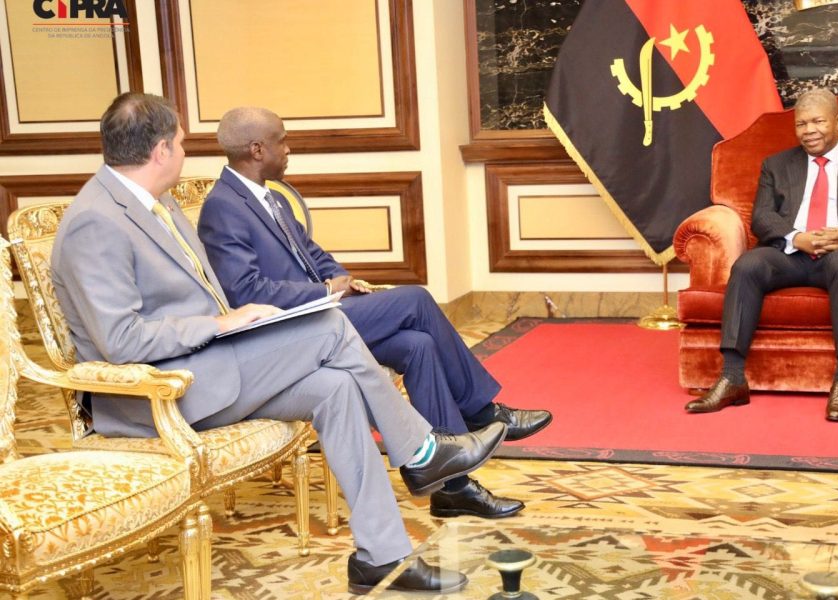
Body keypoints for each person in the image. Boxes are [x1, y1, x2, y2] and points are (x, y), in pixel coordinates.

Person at [51, 92, 507, 595]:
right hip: (160, 394)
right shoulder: (96, 221)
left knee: (336, 388)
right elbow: (120, 339)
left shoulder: (158, 203)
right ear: (160, 151)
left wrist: (239, 323)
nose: (185, 152)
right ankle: (422, 452)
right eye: (180, 143)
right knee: (332, 327)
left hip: (209, 364)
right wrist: (221, 324)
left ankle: (382, 557)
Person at [197, 107, 553, 519]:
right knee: (416, 300)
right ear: (257, 149)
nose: (289, 149)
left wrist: (343, 279)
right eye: (282, 141)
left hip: (326, 313)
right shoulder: (223, 207)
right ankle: (482, 412)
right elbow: (245, 290)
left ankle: (453, 489)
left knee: (418, 345)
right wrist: (324, 291)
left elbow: (312, 254)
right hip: (294, 332)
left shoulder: (272, 197)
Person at [684, 88, 838, 422]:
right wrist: (796, 238)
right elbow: (762, 217)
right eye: (801, 124)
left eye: (818, 121)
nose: (809, 130)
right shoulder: (776, 165)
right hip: (790, 254)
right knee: (748, 265)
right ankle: (732, 378)